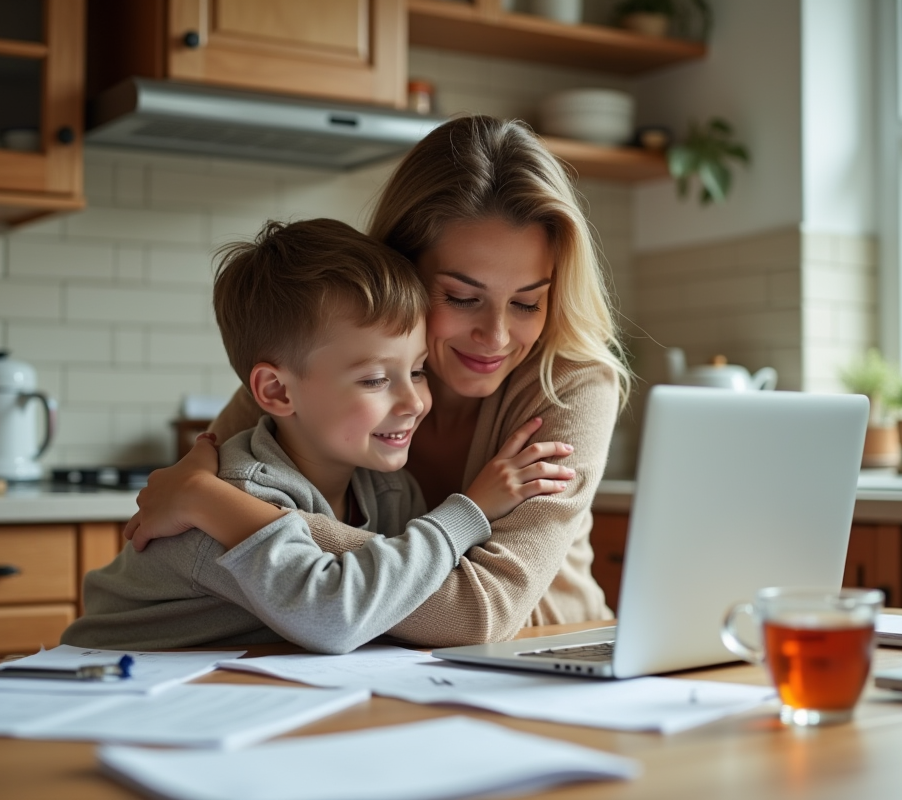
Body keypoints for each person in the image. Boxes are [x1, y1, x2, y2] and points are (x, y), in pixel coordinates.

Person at [123, 115, 633, 647]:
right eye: (462, 297)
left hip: (545, 650)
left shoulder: (570, 384)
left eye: (528, 302)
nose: (497, 336)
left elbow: (476, 615)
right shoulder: (322, 361)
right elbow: (172, 516)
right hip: (389, 665)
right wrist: (217, 499)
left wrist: (227, 512)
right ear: (403, 270)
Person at [62, 219, 573, 652]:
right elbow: (334, 614)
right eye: (375, 379)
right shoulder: (232, 498)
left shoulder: (388, 490)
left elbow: (400, 599)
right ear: (278, 392)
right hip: (111, 688)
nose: (414, 402)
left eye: (417, 371)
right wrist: (469, 513)